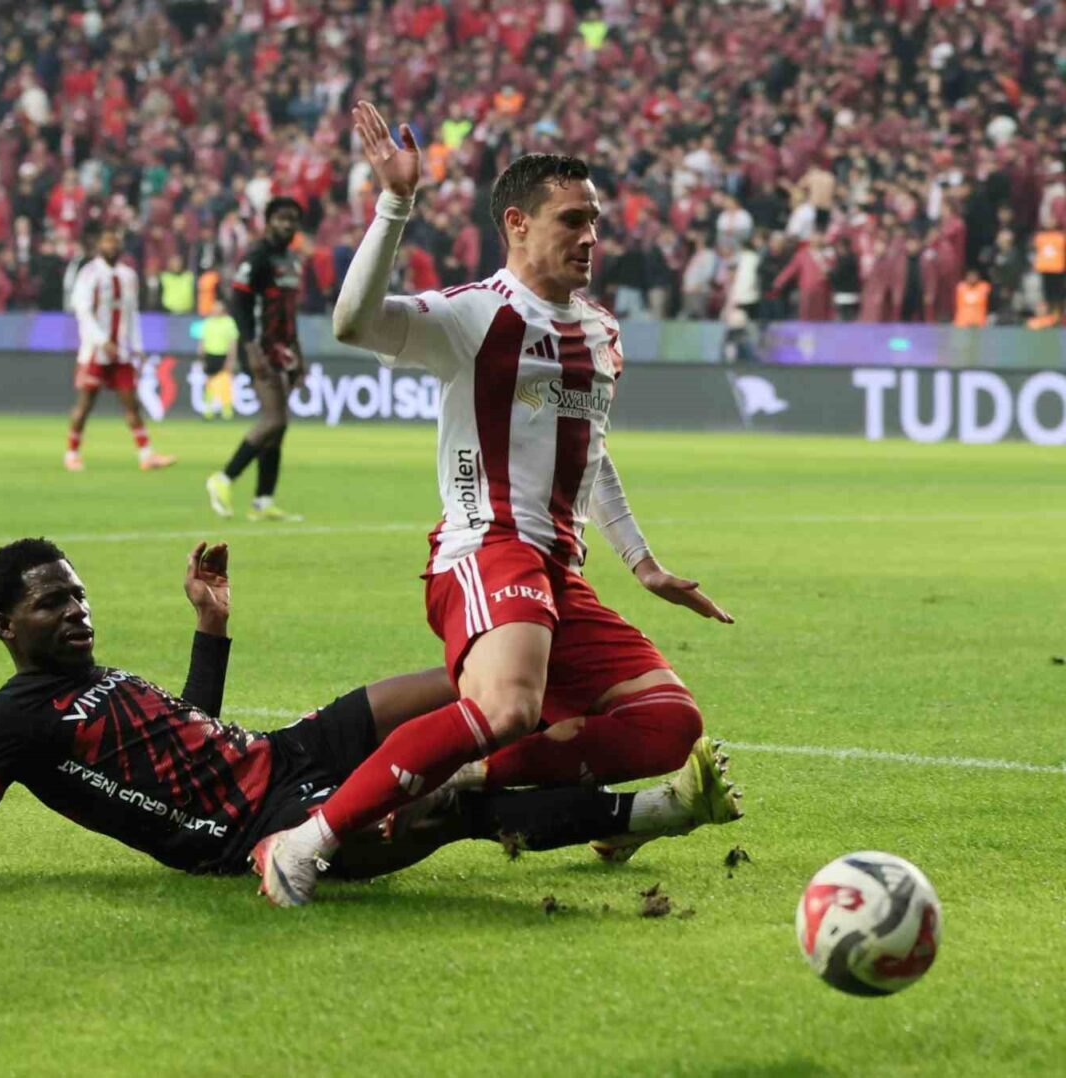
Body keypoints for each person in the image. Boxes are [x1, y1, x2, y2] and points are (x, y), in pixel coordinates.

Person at [255, 101, 740, 907]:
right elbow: (352, 323)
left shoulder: (600, 330)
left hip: (557, 572)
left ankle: (463, 772)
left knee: (668, 724)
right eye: (572, 220)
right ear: (517, 224)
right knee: (509, 706)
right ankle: (302, 845)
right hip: (486, 548)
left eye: (595, 221)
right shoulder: (476, 314)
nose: (591, 237)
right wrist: (395, 204)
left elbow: (590, 451)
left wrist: (643, 563)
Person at [0, 539, 742, 897]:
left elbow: (193, 731)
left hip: (283, 752)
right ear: (4, 625)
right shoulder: (9, 720)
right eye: (54, 603)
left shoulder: (97, 679)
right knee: (448, 804)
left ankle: (597, 741)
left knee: (468, 684)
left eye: (80, 595)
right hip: (256, 823)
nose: (78, 613)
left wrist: (211, 627)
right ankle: (651, 811)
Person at [206, 197, 306, 522]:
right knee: (274, 420)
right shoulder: (257, 256)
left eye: (292, 219)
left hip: (282, 349)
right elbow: (239, 304)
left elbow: (289, 313)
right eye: (281, 218)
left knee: (279, 425)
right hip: (259, 347)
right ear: (268, 221)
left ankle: (263, 501)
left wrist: (298, 354)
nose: (287, 224)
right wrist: (251, 348)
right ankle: (223, 478)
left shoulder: (290, 260)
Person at [66, 227, 175, 473]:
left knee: (131, 403)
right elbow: (82, 311)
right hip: (95, 352)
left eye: (115, 242)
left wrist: (137, 346)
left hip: (122, 352)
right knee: (85, 404)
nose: (112, 246)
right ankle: (72, 453)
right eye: (107, 241)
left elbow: (131, 314)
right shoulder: (89, 273)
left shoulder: (128, 275)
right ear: (99, 245)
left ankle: (147, 455)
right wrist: (101, 340)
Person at [199, 296, 239, 420]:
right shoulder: (207, 322)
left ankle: (226, 409)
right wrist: (201, 355)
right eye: (214, 308)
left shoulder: (229, 322)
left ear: (223, 310)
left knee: (225, 382)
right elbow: (202, 340)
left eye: (217, 308)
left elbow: (233, 342)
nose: (215, 310)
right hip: (210, 355)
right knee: (209, 383)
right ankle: (208, 409)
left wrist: (231, 359)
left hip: (223, 355)